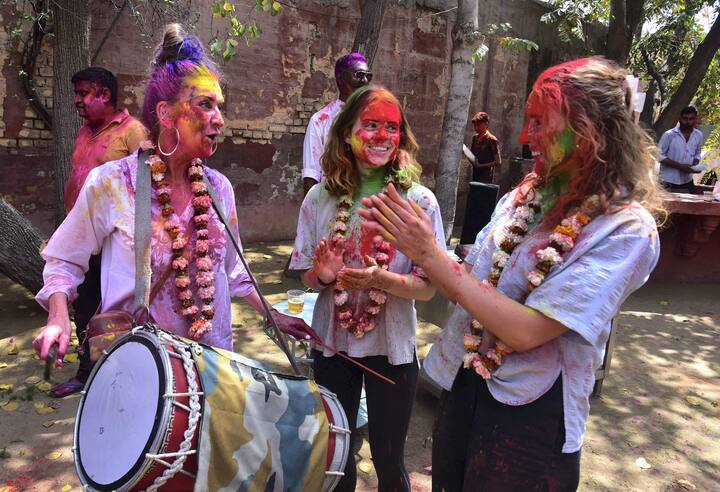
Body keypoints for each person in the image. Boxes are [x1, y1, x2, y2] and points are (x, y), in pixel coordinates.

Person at [360, 57, 664, 491]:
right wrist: (388, 269)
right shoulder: (520, 200)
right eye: (527, 122)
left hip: (531, 416)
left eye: (539, 122)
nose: (525, 137)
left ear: (589, 129)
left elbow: (526, 332)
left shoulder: (625, 229)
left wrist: (428, 252)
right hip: (465, 387)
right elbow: (465, 278)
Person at [34, 24, 312, 375]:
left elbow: (234, 272)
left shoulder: (218, 188)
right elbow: (63, 262)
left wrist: (274, 315)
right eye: (205, 105)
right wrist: (58, 317)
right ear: (166, 114)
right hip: (141, 371)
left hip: (214, 370)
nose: (219, 119)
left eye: (219, 107)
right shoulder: (113, 183)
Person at [290, 85, 446, 491]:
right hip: (333, 345)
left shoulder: (419, 202)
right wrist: (323, 275)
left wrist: (382, 280)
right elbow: (307, 274)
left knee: (388, 457)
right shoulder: (319, 199)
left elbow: (429, 288)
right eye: (371, 125)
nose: (382, 136)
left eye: (391, 127)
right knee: (336, 453)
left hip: (392, 348)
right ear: (346, 132)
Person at [49, 66, 149, 398]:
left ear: (103, 94)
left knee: (110, 310)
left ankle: (115, 375)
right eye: (76, 93)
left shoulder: (133, 133)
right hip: (82, 238)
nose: (76, 100)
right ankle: (87, 371)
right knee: (84, 306)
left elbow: (147, 190)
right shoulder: (84, 131)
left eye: (82, 94)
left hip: (113, 245)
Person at [301, 52, 372, 196]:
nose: (364, 80)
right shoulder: (321, 120)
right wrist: (312, 212)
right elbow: (311, 174)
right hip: (332, 201)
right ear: (340, 78)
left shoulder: (376, 118)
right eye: (358, 74)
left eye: (368, 76)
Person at [658, 106, 704, 194]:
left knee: (688, 207)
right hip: (667, 180)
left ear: (695, 120)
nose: (688, 122)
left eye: (691, 119)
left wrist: (695, 163)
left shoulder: (698, 135)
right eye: (685, 118)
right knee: (665, 206)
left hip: (687, 181)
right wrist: (680, 166)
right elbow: (658, 155)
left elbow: (698, 152)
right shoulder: (669, 135)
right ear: (679, 119)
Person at [464, 111, 501, 184]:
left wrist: (480, 166)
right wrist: (466, 151)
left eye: (478, 125)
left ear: (486, 124)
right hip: (475, 175)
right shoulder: (475, 138)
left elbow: (498, 161)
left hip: (486, 179)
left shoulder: (492, 140)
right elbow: (473, 156)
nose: (476, 128)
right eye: (474, 125)